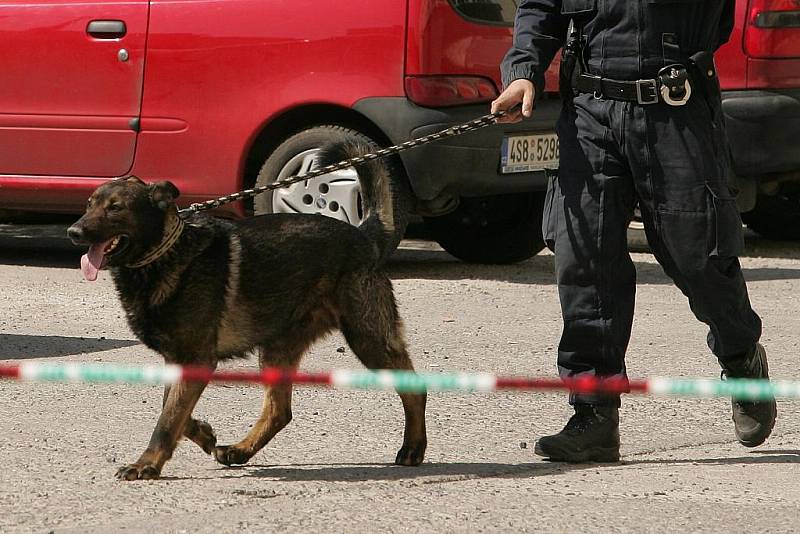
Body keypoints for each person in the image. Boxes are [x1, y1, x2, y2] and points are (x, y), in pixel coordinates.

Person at [491, 0, 776, 462]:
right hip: (589, 112)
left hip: (674, 107)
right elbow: (539, 7)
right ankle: (594, 415)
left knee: (698, 255)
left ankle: (741, 355)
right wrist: (523, 71)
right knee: (584, 262)